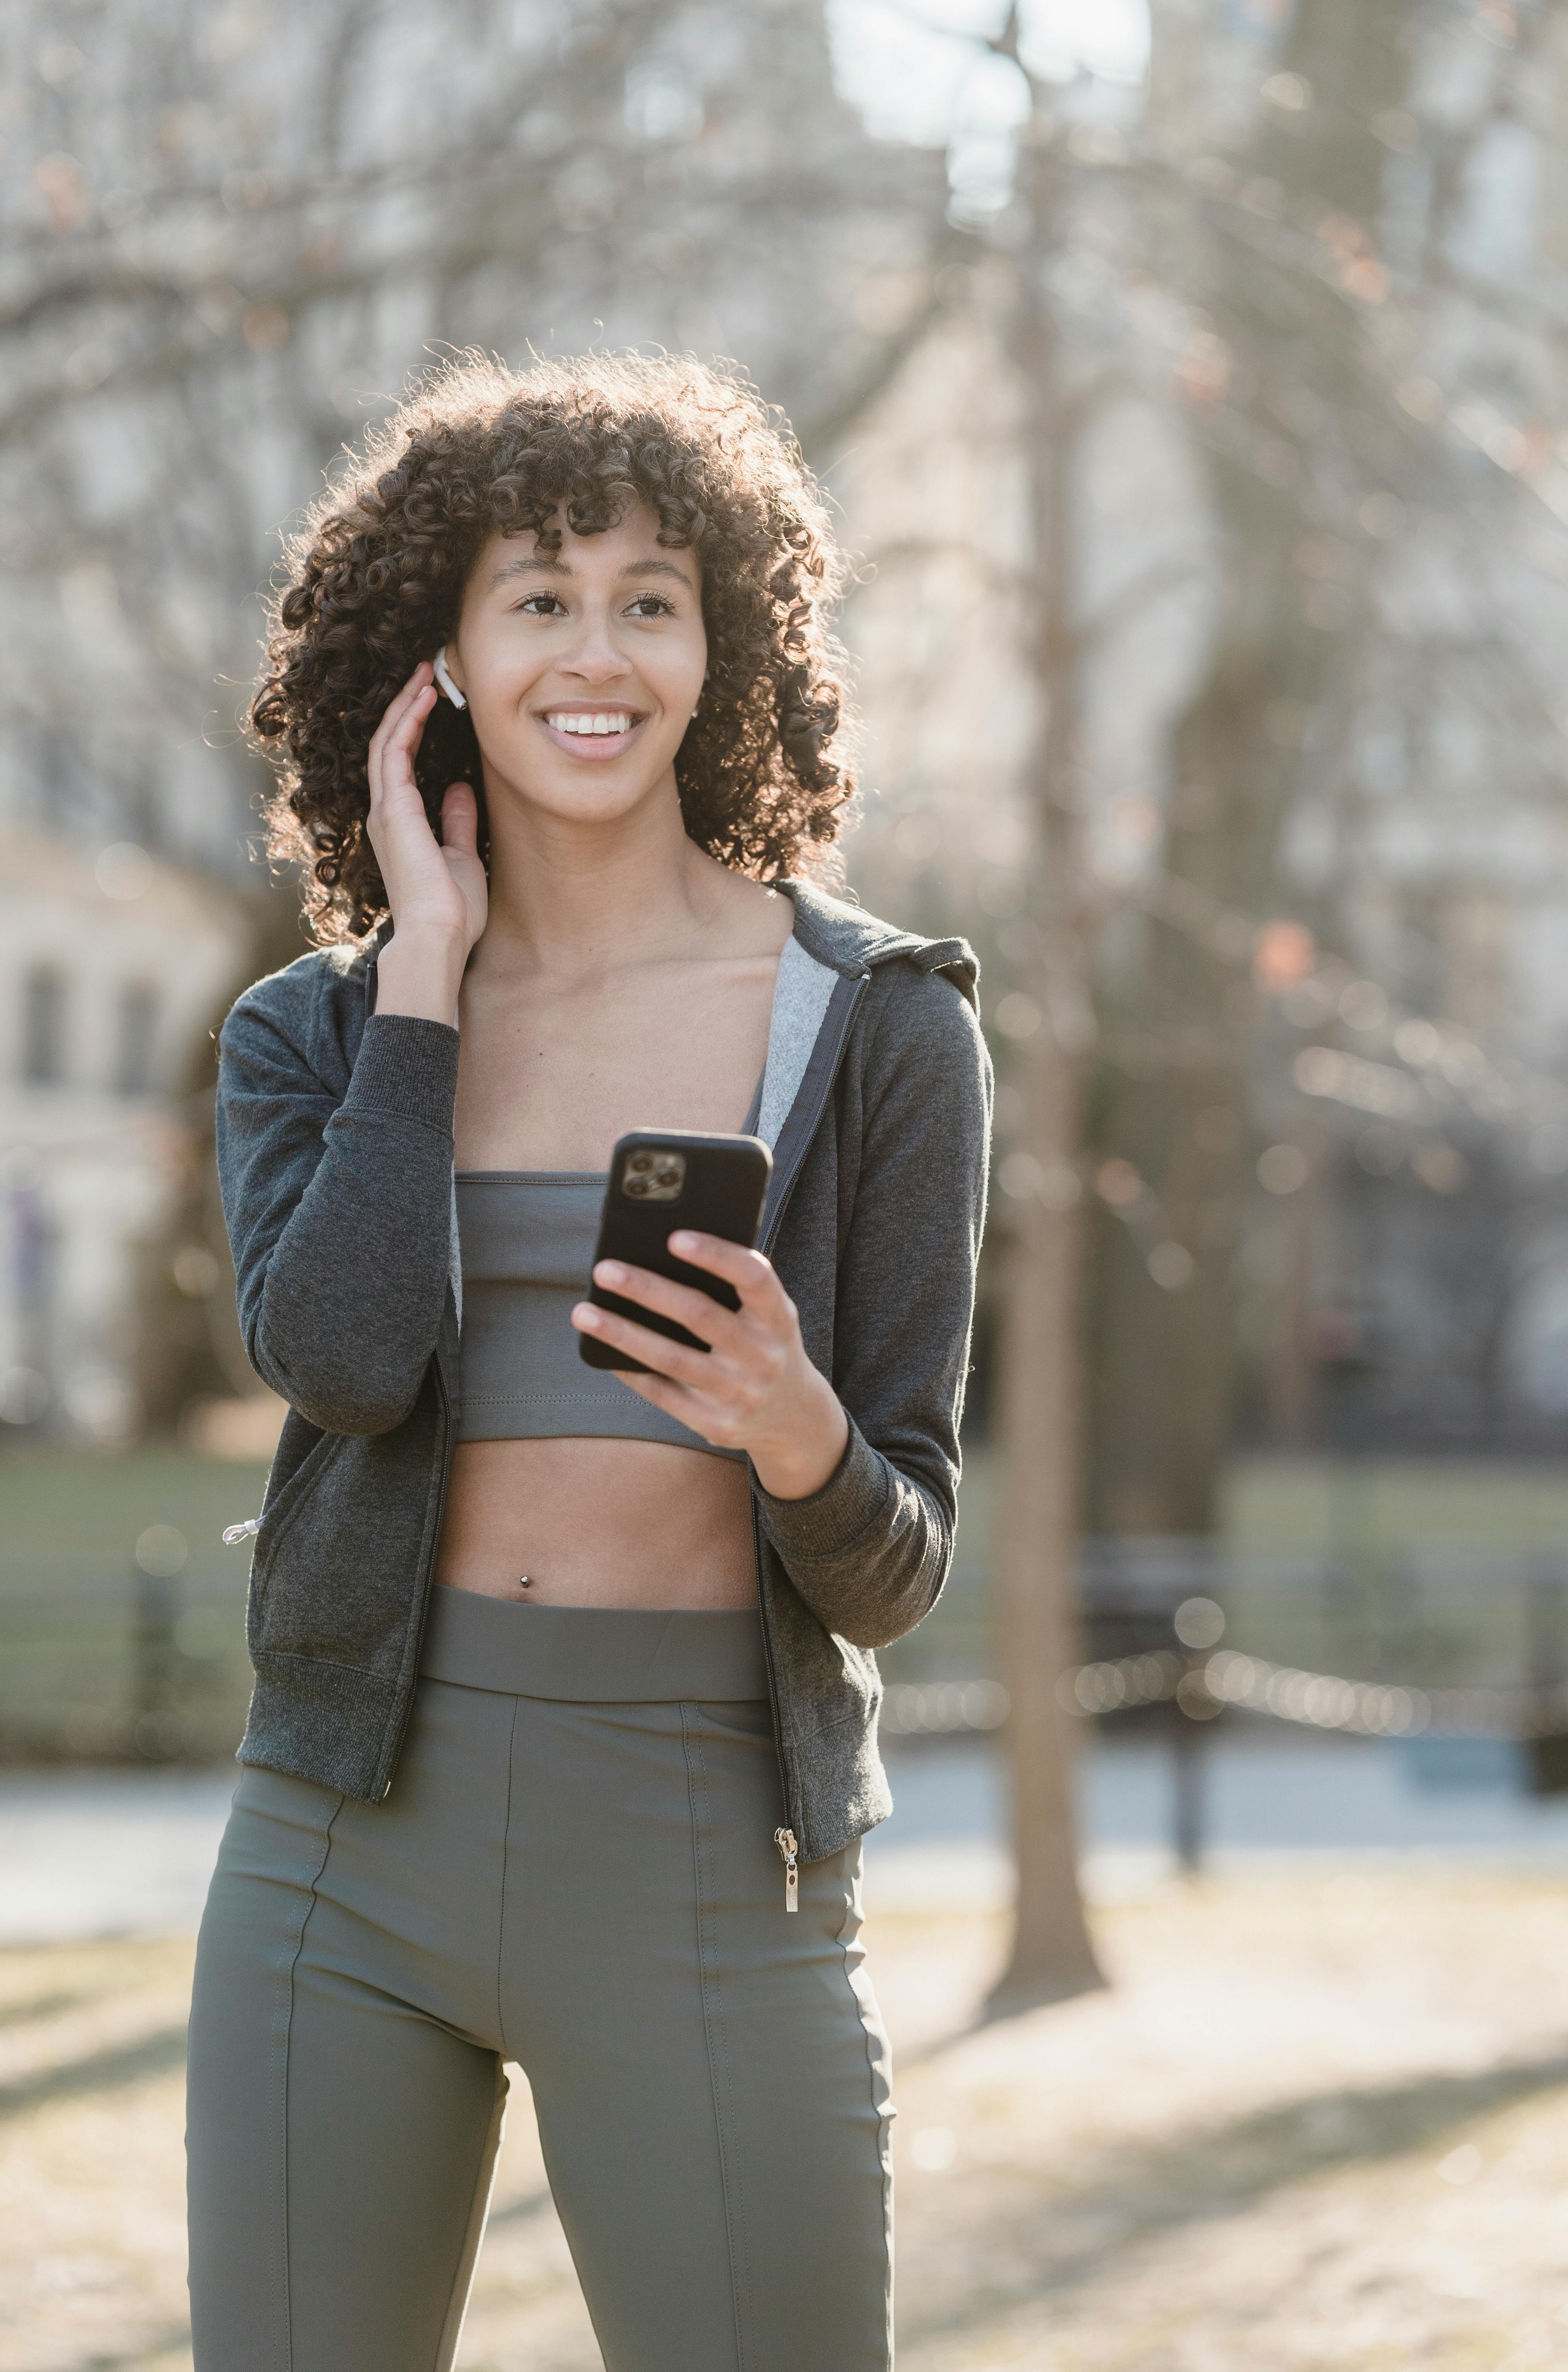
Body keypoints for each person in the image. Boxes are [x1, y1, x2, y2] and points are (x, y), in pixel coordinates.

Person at [186, 350, 990, 2372]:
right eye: (537, 596)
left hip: (711, 1857)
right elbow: (347, 1364)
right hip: (342, 1851)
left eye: (653, 596)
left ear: (729, 646)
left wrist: (798, 1435)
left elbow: (898, 1564)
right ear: (439, 657)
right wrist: (430, 984)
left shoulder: (882, 1029)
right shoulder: (316, 1031)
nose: (598, 649)